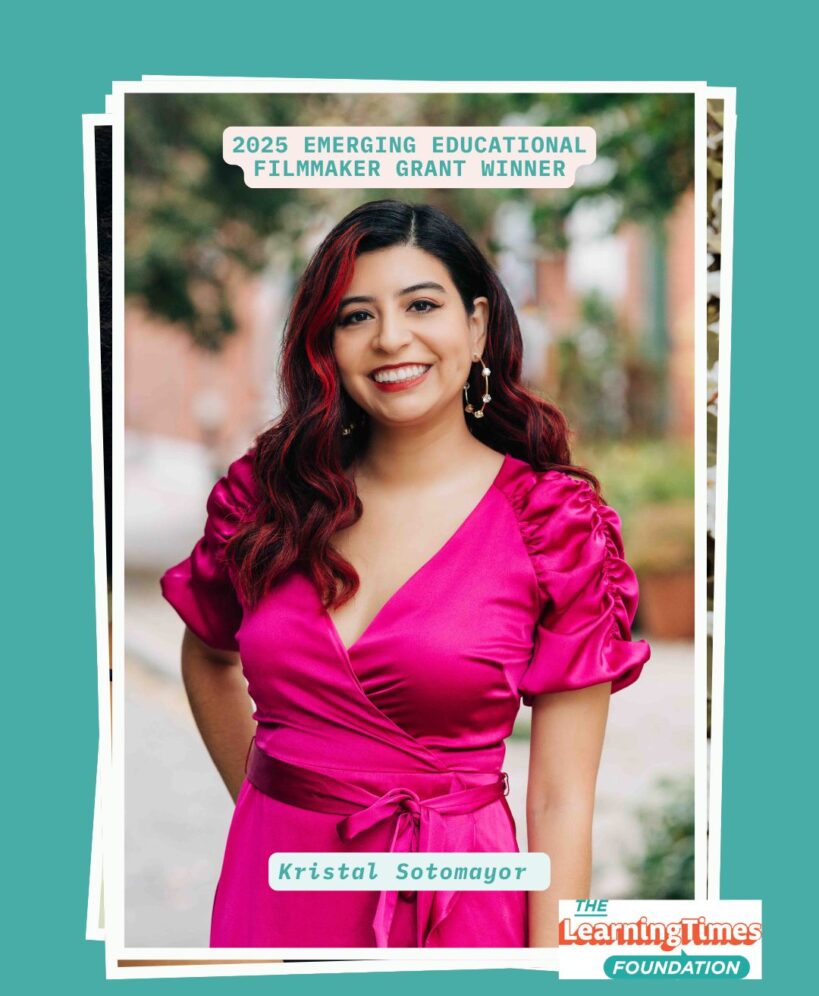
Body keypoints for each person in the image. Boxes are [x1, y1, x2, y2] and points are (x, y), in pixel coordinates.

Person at [160, 198, 651, 949]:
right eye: (356, 316)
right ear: (326, 341)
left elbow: (558, 802)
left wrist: (555, 983)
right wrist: (267, 808)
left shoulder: (554, 526)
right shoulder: (268, 495)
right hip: (274, 905)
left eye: (422, 304)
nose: (392, 338)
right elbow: (208, 651)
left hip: (457, 913)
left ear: (477, 324)